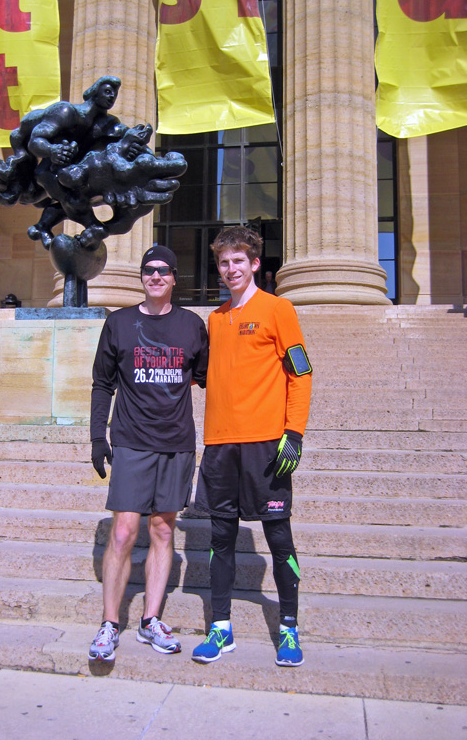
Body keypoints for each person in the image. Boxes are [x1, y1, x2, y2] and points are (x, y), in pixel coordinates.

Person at [192, 226, 312, 667]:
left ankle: (289, 630)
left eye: (238, 261)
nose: (230, 270)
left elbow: (301, 371)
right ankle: (220, 629)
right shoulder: (216, 319)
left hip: (267, 445)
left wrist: (293, 433)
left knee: (279, 537)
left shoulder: (279, 309)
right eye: (223, 263)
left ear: (255, 263)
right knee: (220, 537)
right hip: (221, 445)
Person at [88, 245, 209, 661]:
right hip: (131, 440)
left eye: (163, 271)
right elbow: (102, 383)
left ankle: (149, 620)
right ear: (142, 278)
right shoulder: (119, 323)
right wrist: (95, 437)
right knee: (124, 531)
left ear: (175, 278)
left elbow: (211, 377)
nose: (155, 276)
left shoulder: (192, 326)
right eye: (148, 271)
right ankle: (109, 624)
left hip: (176, 442)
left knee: (162, 529)